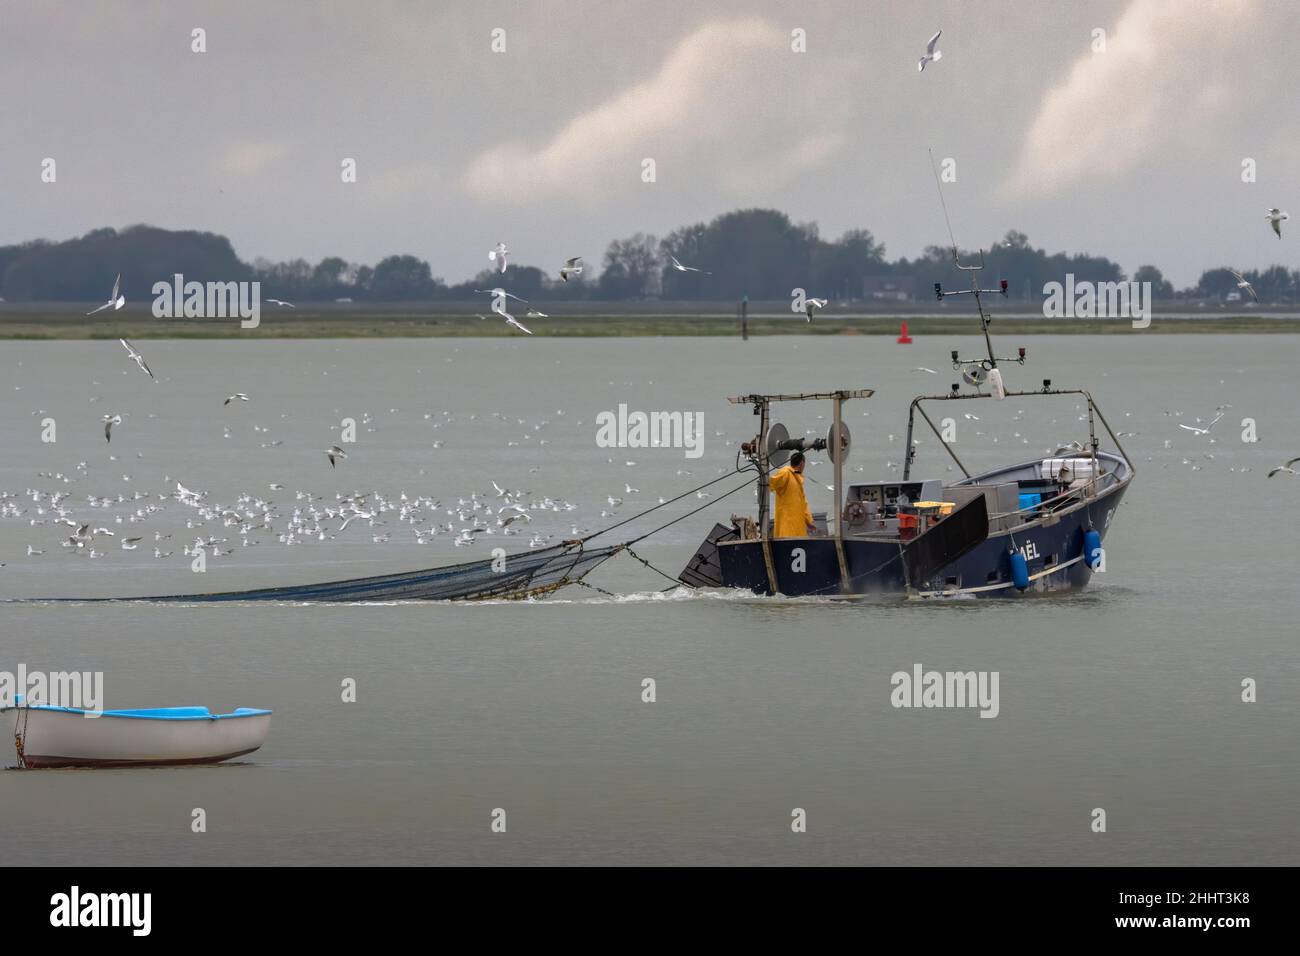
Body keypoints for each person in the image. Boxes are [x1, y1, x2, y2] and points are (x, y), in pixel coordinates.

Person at [769, 451, 816, 537]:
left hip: (798, 526)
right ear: (802, 463)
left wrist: (808, 522)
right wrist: (764, 485)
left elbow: (803, 503)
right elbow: (770, 484)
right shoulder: (785, 473)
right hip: (787, 525)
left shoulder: (797, 478)